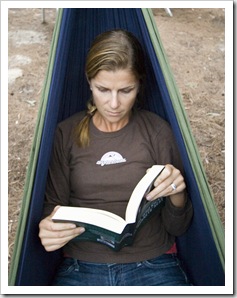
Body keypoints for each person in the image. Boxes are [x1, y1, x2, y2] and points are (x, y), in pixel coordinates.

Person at [39, 29, 193, 286]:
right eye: (103, 89)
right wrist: (47, 228)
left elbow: (179, 228)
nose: (113, 104)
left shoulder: (156, 131)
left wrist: (177, 193)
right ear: (89, 82)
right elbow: (51, 207)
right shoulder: (66, 133)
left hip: (153, 261)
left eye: (125, 90)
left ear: (139, 85)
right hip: (81, 265)